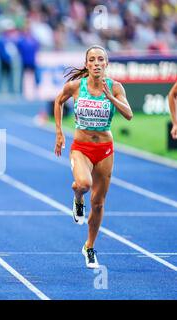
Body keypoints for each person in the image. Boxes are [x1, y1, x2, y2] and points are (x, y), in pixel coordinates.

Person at [53, 45, 133, 269]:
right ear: (87, 64)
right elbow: (58, 101)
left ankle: (89, 246)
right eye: (92, 60)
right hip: (81, 147)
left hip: (105, 149)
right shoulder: (76, 86)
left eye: (101, 60)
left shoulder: (115, 87)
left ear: (106, 64)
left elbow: (128, 114)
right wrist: (59, 132)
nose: (97, 63)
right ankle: (78, 199)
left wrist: (111, 97)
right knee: (83, 184)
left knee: (98, 204)